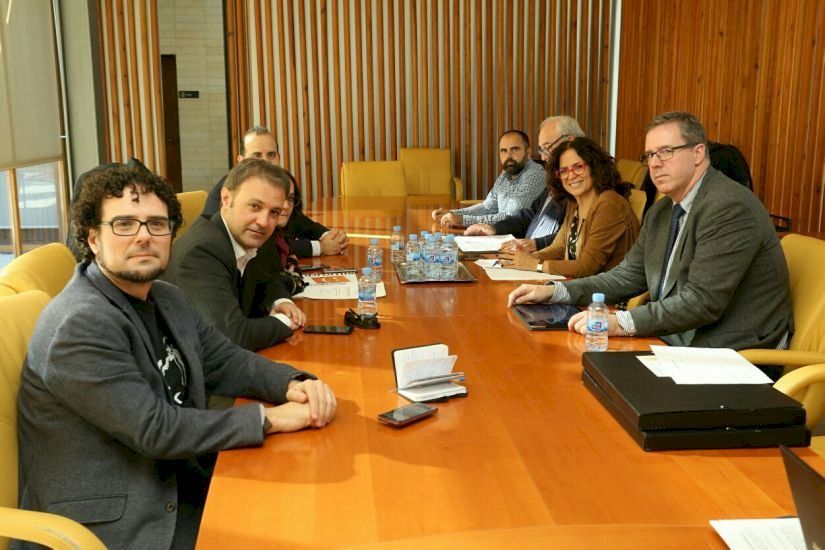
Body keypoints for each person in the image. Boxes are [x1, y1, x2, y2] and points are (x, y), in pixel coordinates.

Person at [15, 164, 336, 549]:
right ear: (93, 238)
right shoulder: (79, 324)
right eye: (124, 225)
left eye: (157, 224)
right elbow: (155, 429)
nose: (144, 236)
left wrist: (291, 382)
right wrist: (270, 418)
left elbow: (224, 360)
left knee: (313, 509)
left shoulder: (165, 297)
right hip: (116, 523)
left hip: (177, 480)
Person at [507, 111, 793, 352]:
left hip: (730, 354)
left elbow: (702, 302)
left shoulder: (729, 206)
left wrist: (622, 322)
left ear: (698, 153)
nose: (655, 163)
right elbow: (627, 275)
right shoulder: (662, 210)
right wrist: (555, 292)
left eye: (666, 152)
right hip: (675, 340)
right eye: (650, 155)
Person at [164, 159, 306, 351]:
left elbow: (264, 281)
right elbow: (232, 337)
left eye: (274, 212)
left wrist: (282, 302)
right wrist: (286, 321)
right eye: (255, 206)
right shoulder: (203, 252)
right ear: (226, 199)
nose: (264, 222)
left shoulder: (240, 234)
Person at [496, 137, 639, 277]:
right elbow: (559, 247)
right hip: (579, 283)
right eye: (563, 171)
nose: (571, 176)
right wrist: (521, 259)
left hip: (605, 291)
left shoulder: (608, 204)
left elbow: (587, 266)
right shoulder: (574, 202)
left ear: (594, 166)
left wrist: (535, 265)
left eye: (578, 167)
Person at [202, 126, 348, 256]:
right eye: (257, 155)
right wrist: (320, 247)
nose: (265, 161)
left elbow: (298, 221)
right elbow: (262, 245)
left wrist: (330, 236)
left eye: (271, 155)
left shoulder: (276, 186)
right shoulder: (226, 192)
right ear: (241, 161)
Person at [463, 115, 585, 252]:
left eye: (547, 147)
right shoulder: (556, 179)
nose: (543, 157)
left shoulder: (582, 182)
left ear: (570, 142)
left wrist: (536, 245)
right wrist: (494, 228)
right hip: (528, 253)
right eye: (541, 149)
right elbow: (529, 216)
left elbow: (573, 236)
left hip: (543, 258)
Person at [431, 130, 546, 227]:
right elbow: (488, 207)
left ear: (528, 152)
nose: (508, 156)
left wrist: (462, 220)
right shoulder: (506, 173)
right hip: (504, 234)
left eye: (514, 149)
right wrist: (453, 213)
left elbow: (510, 217)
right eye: (504, 151)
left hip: (523, 240)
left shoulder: (535, 174)